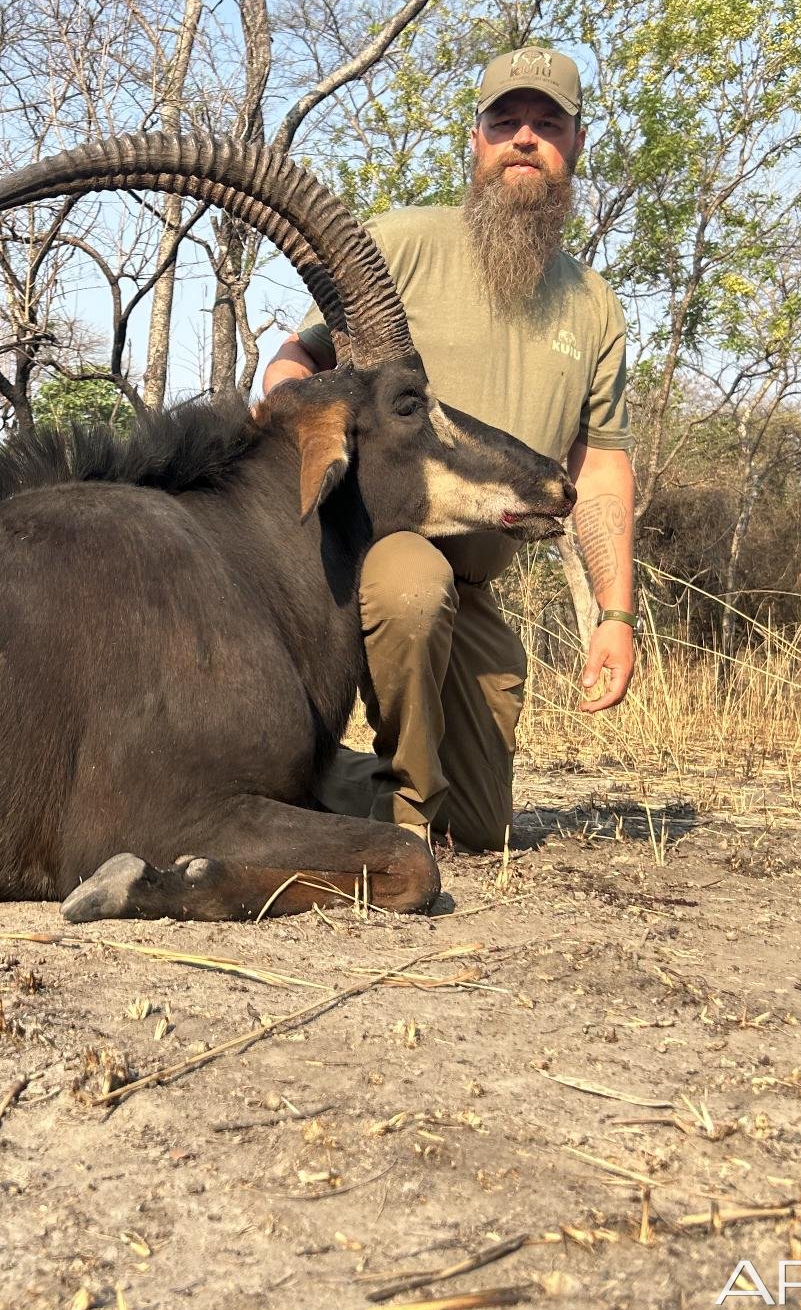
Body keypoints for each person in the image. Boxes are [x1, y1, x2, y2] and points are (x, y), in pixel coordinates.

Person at [262, 45, 636, 852]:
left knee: (480, 823)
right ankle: (396, 841)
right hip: (380, 551)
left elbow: (599, 465)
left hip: (476, 581)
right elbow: (296, 365)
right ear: (476, 141)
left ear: (575, 144)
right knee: (410, 588)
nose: (524, 139)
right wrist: (293, 435)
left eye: (546, 123)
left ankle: (304, 784)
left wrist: (614, 614)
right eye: (505, 122)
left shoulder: (595, 304)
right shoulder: (397, 245)